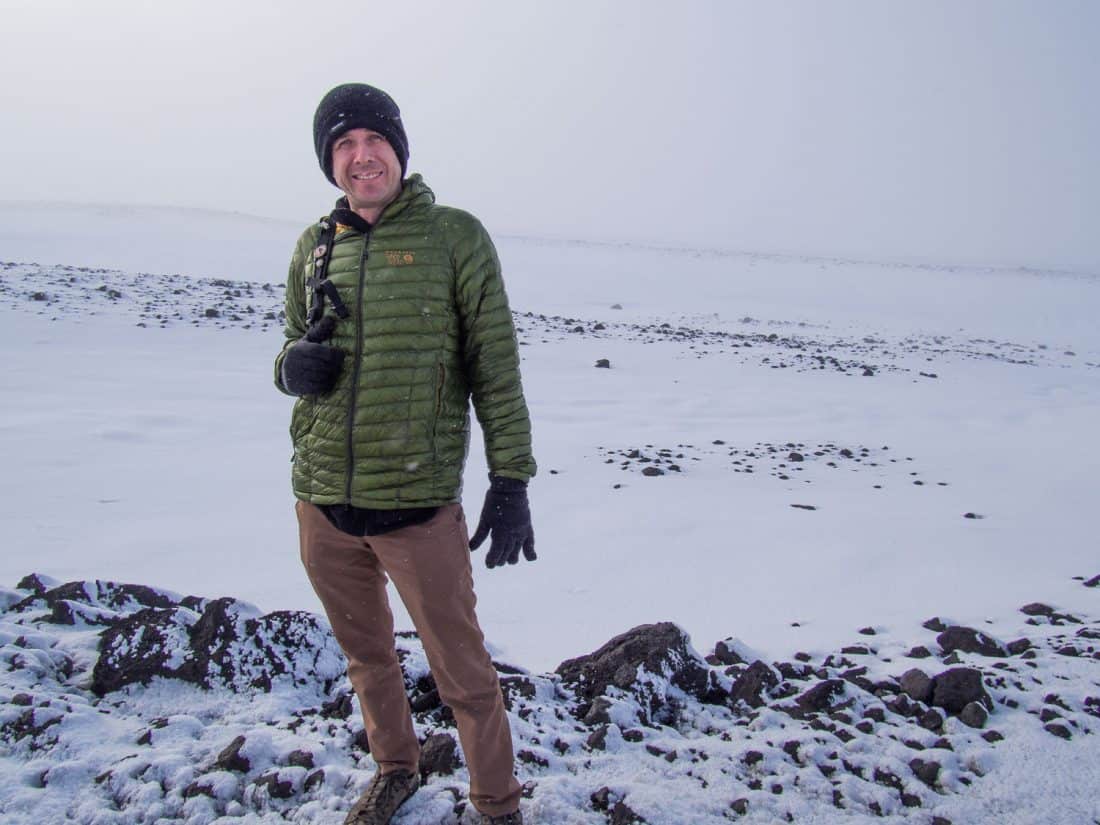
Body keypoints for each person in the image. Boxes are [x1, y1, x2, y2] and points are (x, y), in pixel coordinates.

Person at [274, 82, 537, 825]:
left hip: (418, 511)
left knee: (465, 673)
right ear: (331, 163)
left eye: (374, 140)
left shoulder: (455, 236)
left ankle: (497, 805)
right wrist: (292, 367)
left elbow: (496, 366)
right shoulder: (313, 245)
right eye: (344, 145)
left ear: (399, 148)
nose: (362, 157)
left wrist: (510, 477)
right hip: (322, 504)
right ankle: (396, 766)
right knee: (367, 658)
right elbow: (288, 350)